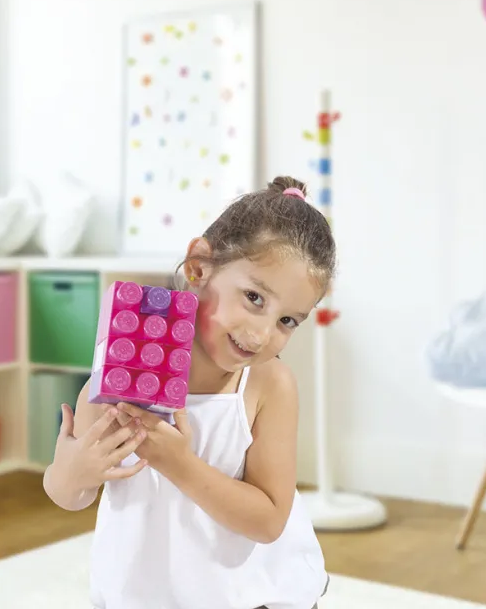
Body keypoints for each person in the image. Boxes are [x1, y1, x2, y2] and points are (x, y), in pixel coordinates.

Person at [43, 175, 336, 609]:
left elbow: (269, 521)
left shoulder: (268, 385)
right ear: (198, 267)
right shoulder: (123, 375)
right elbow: (70, 495)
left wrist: (179, 464)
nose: (262, 334)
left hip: (249, 598)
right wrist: (71, 472)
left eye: (287, 321)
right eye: (254, 298)